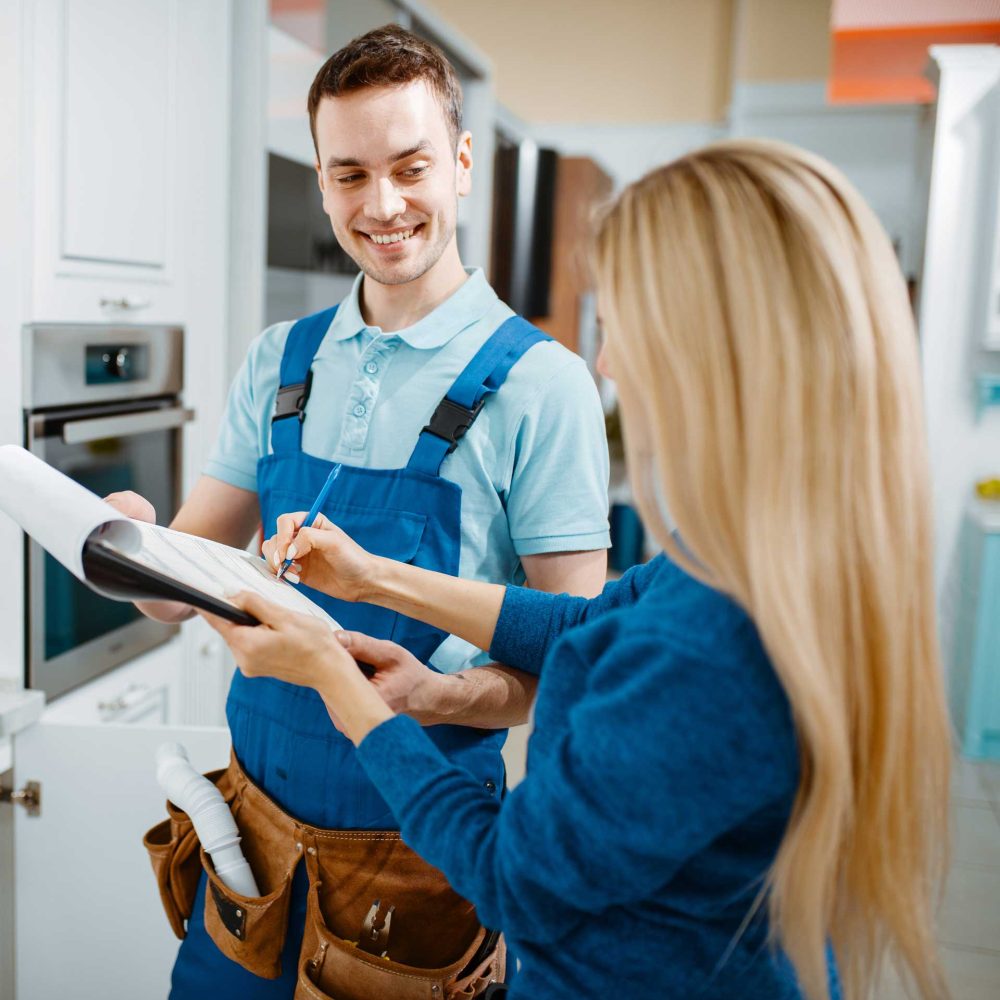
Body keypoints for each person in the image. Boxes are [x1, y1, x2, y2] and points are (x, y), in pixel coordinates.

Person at [203, 139, 953, 1000]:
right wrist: (374, 578)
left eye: (625, 324)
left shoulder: (704, 648)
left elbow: (514, 875)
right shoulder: (760, 561)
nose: (609, 362)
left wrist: (338, 681)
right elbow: (586, 622)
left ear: (711, 351)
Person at [113, 25, 610, 1000]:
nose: (381, 206)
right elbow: (176, 592)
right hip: (246, 847)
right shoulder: (279, 360)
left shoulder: (542, 387)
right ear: (322, 180)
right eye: (349, 175)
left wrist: (436, 696)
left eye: (410, 167)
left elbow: (577, 667)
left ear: (461, 163)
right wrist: (125, 545)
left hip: (420, 861)